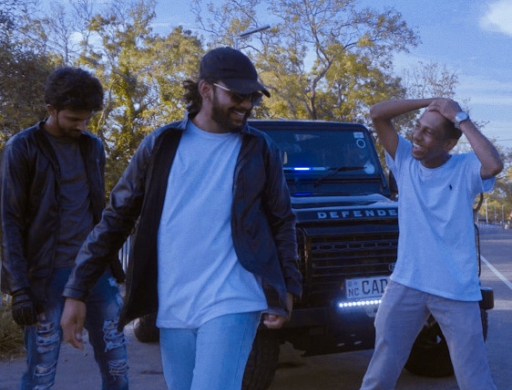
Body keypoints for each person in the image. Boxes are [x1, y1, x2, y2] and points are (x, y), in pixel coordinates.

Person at [60, 46, 302, 390]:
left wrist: (288, 286)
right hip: (174, 303)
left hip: (234, 297)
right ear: (206, 89)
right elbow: (116, 218)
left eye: (253, 97)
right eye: (237, 95)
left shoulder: (260, 149)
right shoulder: (160, 145)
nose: (247, 104)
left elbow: (281, 219)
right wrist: (77, 290)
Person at [360, 97, 502, 390]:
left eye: (429, 132)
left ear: (448, 144)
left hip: (455, 288)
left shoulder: (464, 168)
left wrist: (459, 117)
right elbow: (377, 114)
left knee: (474, 378)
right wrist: (432, 102)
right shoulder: (404, 159)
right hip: (407, 282)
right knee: (380, 373)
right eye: (418, 126)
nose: (417, 135)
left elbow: (493, 164)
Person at [1, 67, 129, 389]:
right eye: (73, 119)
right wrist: (19, 289)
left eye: (86, 119)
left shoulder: (93, 147)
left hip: (94, 270)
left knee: (118, 369)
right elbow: (8, 220)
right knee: (41, 374)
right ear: (51, 110)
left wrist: (112, 265)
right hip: (45, 275)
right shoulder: (21, 147)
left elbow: (99, 211)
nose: (81, 126)